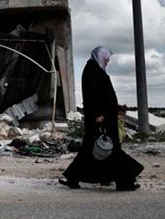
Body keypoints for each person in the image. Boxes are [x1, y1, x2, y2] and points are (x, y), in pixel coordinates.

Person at [59, 46, 144, 191]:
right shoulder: (92, 69)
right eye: (106, 58)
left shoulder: (95, 69)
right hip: (101, 118)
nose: (108, 61)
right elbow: (91, 95)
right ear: (99, 56)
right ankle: (124, 180)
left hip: (103, 117)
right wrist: (97, 114)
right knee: (110, 149)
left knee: (92, 149)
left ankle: (73, 177)